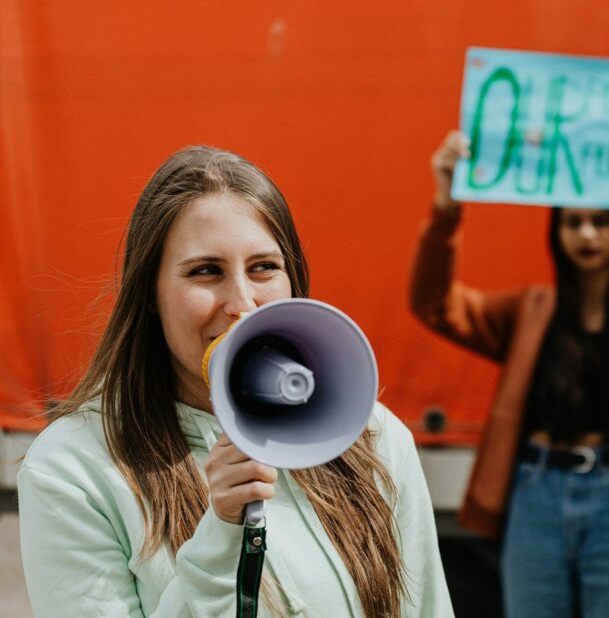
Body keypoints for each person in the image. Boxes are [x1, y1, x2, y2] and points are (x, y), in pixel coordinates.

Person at [18, 146, 454, 617]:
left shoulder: (370, 436)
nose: (242, 304)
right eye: (206, 272)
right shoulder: (74, 469)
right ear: (148, 293)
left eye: (264, 267)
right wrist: (219, 537)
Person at [409, 130, 609, 617]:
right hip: (535, 493)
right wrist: (446, 206)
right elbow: (434, 304)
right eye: (573, 222)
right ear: (556, 233)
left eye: (601, 222)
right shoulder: (530, 311)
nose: (587, 234)